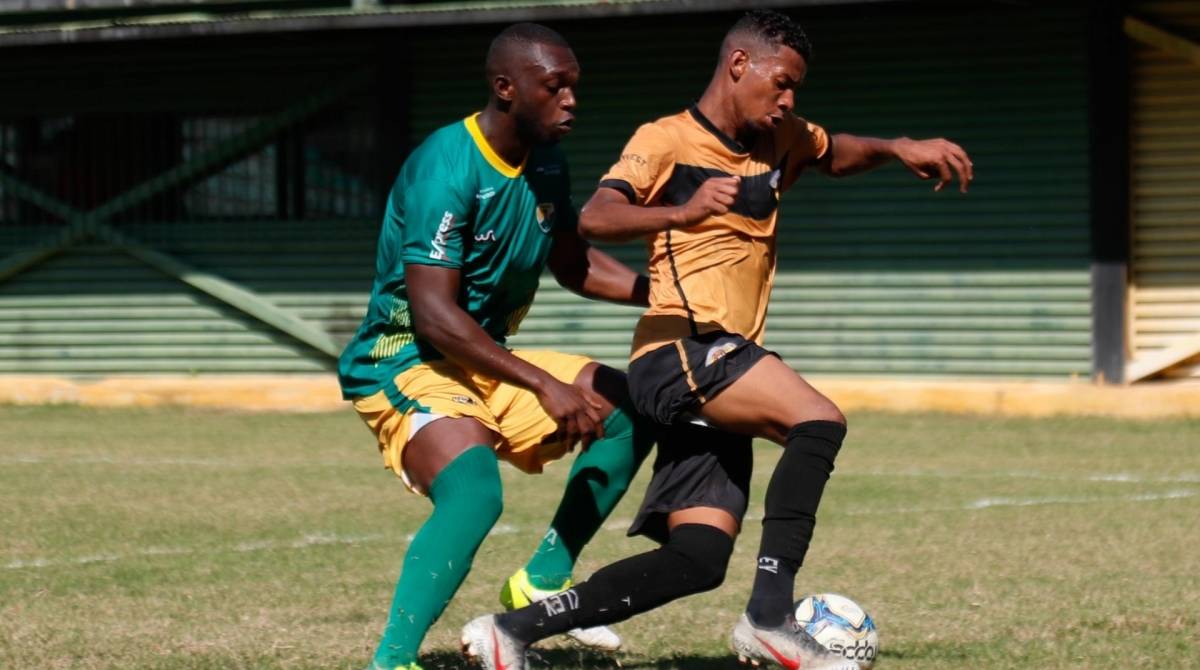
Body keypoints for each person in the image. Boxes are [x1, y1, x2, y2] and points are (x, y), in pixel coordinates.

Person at [460, 9, 973, 670]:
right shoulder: (666, 139)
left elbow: (834, 151)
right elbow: (595, 215)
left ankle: (509, 631)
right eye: (781, 82)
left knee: (696, 560)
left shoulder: (782, 137)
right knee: (818, 422)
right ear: (739, 65)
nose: (788, 98)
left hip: (716, 366)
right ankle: (769, 619)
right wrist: (681, 210)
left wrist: (897, 147)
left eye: (795, 89)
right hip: (680, 353)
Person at [338, 22, 656, 670]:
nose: (571, 101)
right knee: (476, 492)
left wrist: (662, 293)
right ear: (506, 87)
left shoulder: (547, 165)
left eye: (575, 88)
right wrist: (544, 384)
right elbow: (431, 314)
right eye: (555, 87)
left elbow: (574, 265)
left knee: (628, 405)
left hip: (482, 354)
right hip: (405, 356)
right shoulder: (446, 165)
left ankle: (540, 582)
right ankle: (390, 662)